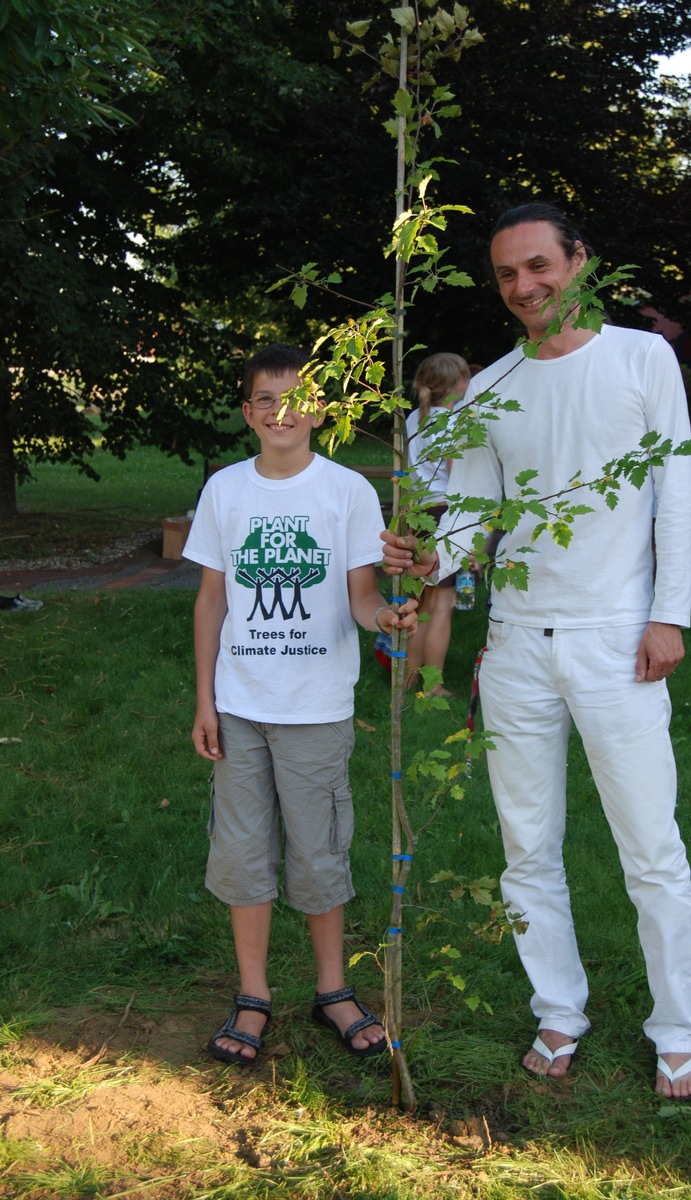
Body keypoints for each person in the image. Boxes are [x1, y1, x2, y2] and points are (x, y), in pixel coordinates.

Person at [382, 201, 691, 1100]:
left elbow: (673, 495)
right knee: (527, 850)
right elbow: (477, 520)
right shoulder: (490, 389)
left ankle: (676, 1028)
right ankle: (557, 1009)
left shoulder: (642, 360)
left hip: (616, 640)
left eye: (538, 266)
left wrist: (666, 614)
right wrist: (424, 558)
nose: (524, 287)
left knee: (650, 849)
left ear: (578, 261)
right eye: (506, 275)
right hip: (518, 646)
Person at [184, 343, 417, 1065]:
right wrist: (204, 700)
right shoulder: (224, 490)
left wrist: (388, 620)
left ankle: (332, 990)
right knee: (243, 850)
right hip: (240, 705)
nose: (279, 412)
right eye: (264, 400)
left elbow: (362, 597)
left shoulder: (345, 491)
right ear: (247, 413)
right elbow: (212, 599)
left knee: (319, 852)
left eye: (294, 399)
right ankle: (252, 995)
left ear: (316, 410)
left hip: (316, 707)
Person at [403, 352, 471, 696]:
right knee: (442, 606)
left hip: (419, 515)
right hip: (446, 514)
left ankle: (409, 679)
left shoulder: (414, 419)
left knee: (424, 604)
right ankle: (434, 685)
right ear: (457, 385)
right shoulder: (450, 422)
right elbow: (453, 471)